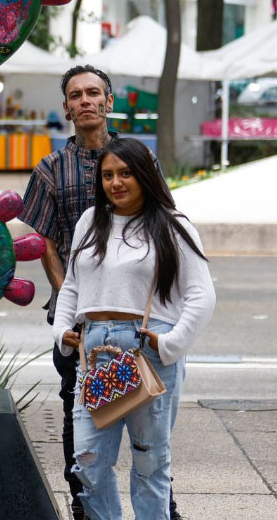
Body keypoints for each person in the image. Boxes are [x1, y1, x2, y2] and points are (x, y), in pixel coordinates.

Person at [20, 64, 180, 520]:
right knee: (82, 416)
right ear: (67, 107)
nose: (85, 100)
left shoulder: (138, 158)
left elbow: (165, 224)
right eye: (76, 95)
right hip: (79, 322)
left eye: (94, 93)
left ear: (109, 102)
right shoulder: (51, 168)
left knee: (151, 415)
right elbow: (45, 241)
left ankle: (162, 505)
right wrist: (71, 307)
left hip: (138, 320)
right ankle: (86, 506)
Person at [52, 137, 216, 520]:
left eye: (125, 173)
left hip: (148, 350)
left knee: (149, 463)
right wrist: (61, 331)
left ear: (144, 175)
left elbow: (201, 295)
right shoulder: (90, 222)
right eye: (108, 175)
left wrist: (173, 343)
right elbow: (72, 285)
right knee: (88, 461)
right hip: (94, 351)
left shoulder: (172, 225)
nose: (116, 183)